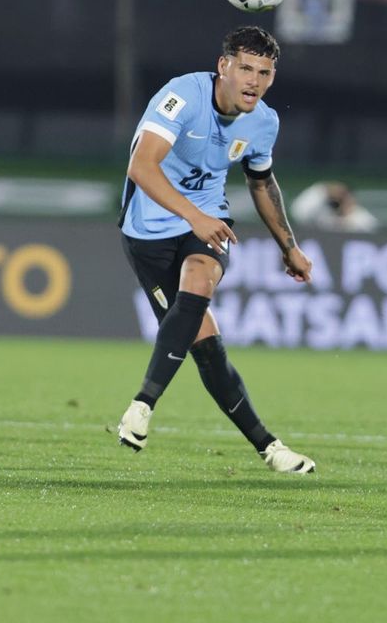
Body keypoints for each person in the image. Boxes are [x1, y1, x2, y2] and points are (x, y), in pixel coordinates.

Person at [116, 26, 317, 474]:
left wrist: (289, 246)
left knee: (202, 276)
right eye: (245, 68)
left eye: (264, 72)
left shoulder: (264, 121)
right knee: (206, 345)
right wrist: (194, 216)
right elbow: (141, 166)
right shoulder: (181, 97)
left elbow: (261, 182)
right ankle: (268, 446)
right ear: (223, 66)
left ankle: (143, 405)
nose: (254, 81)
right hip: (147, 231)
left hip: (207, 220)